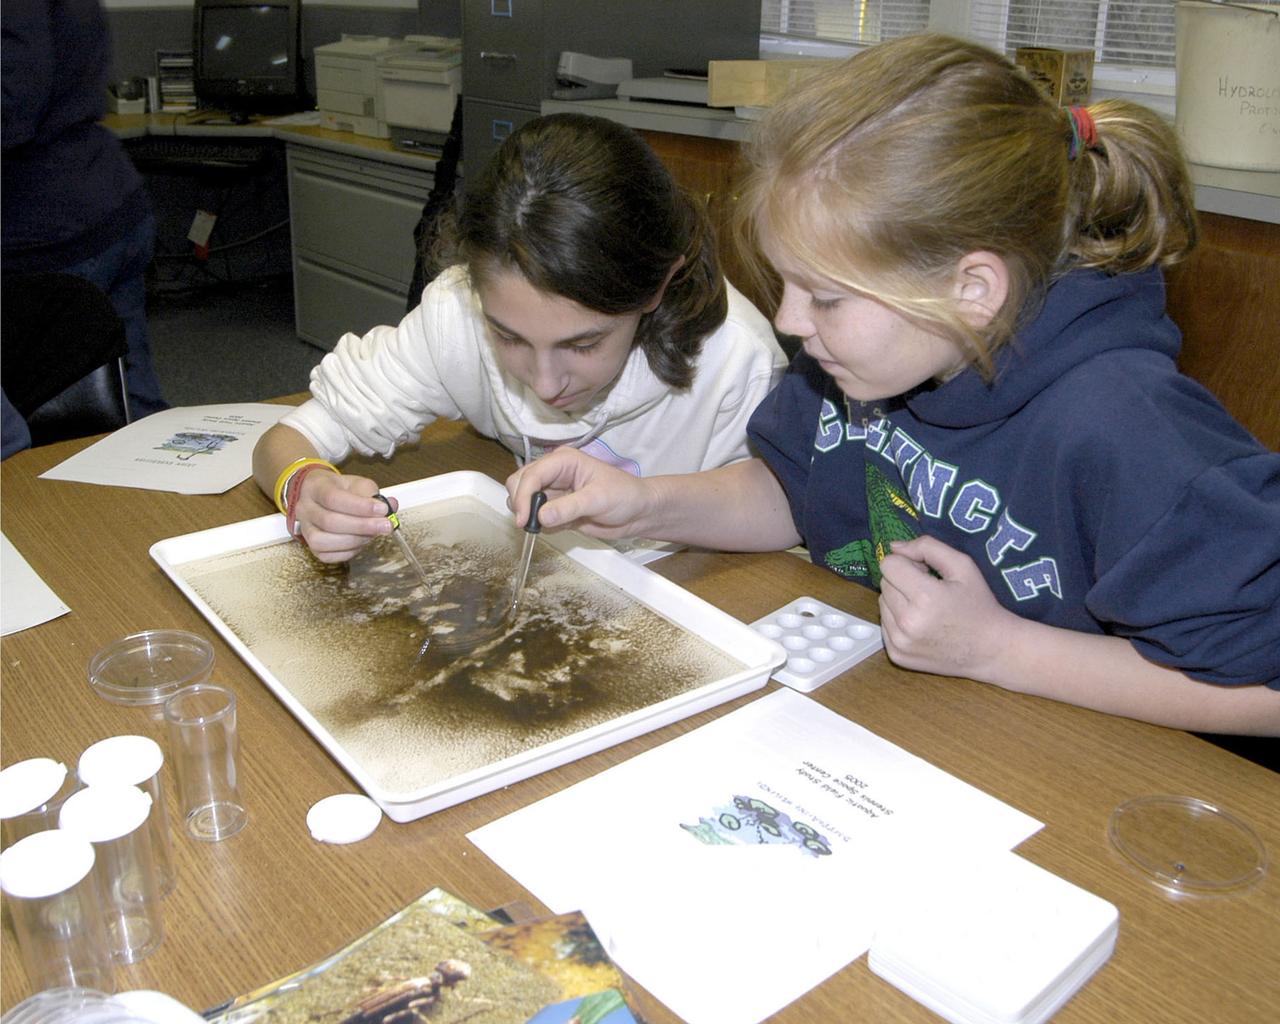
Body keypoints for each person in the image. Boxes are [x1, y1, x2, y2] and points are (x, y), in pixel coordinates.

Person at [507, 35, 1280, 736]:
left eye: (824, 297)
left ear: (970, 291)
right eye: (787, 284)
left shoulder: (1129, 429)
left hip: (1076, 769)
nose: (789, 320)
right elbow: (796, 490)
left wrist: (1001, 649)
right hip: (917, 727)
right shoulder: (869, 353)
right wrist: (646, 502)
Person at [253, 113, 786, 560]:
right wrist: (307, 487)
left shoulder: (736, 361)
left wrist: (650, 504)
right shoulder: (458, 313)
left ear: (656, 288)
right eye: (508, 337)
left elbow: (781, 514)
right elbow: (285, 440)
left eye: (583, 344)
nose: (545, 384)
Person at [2, 0, 167, 418]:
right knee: (129, 395)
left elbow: (13, 105)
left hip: (46, 226)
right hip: (105, 200)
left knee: (52, 418)